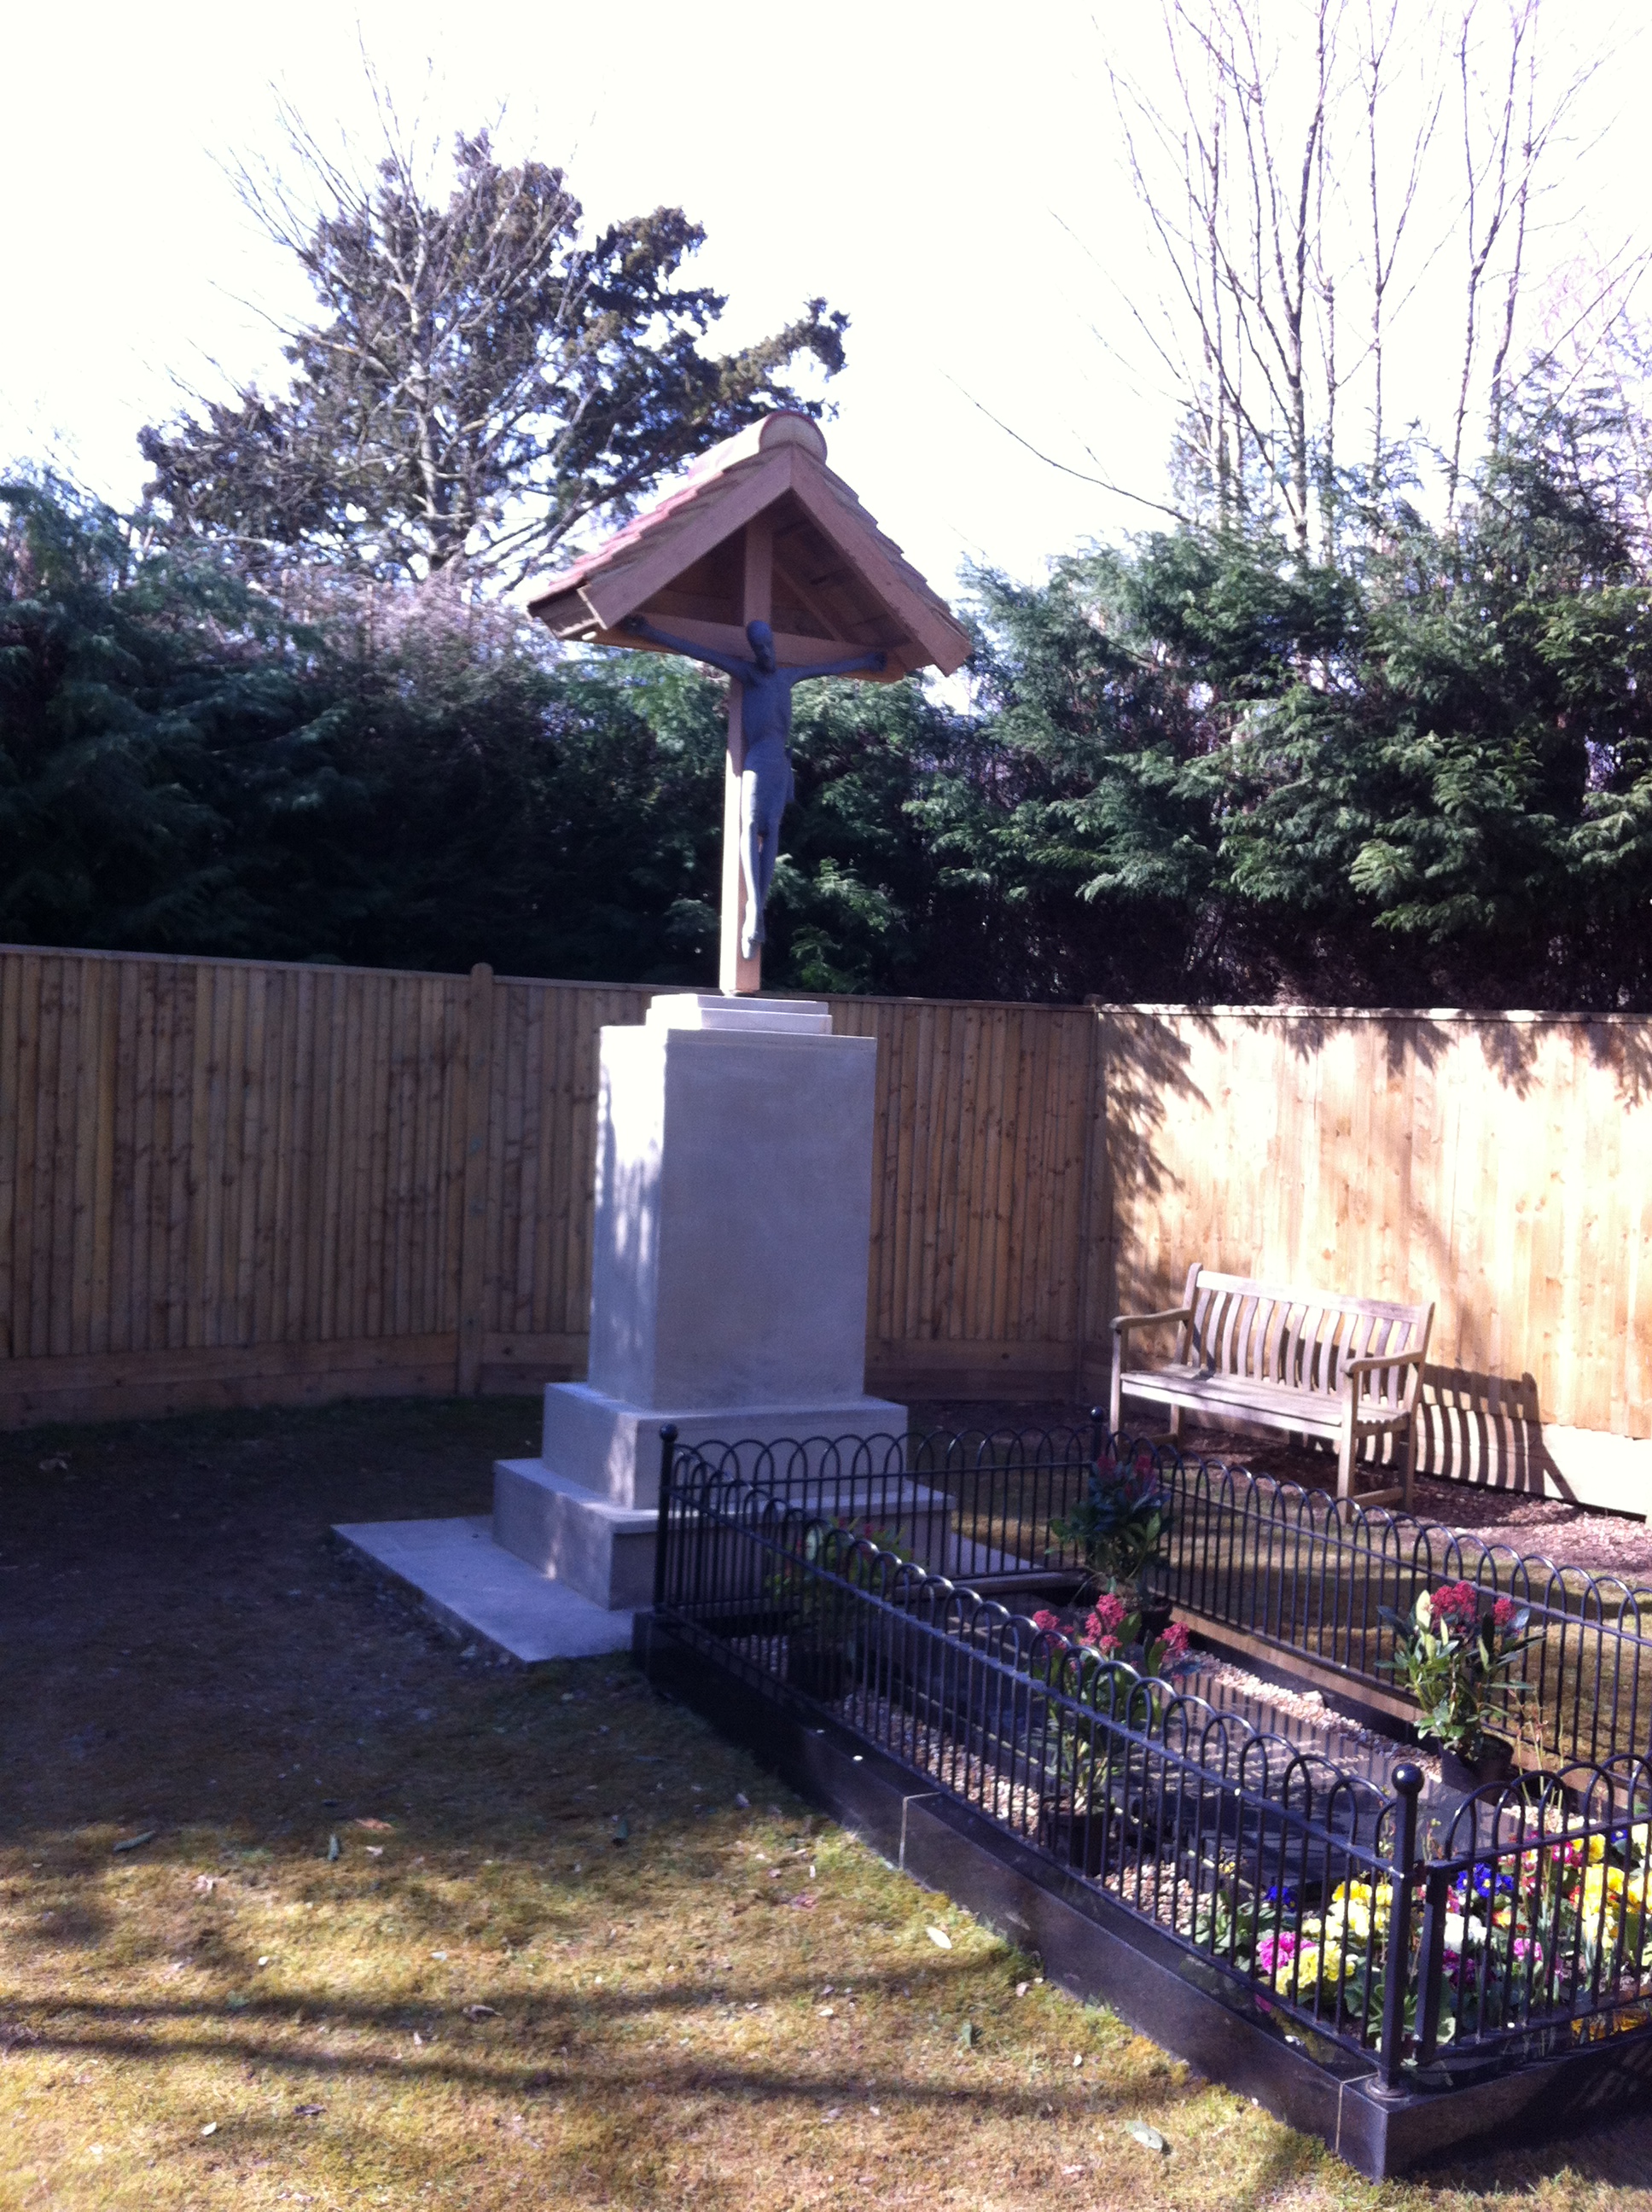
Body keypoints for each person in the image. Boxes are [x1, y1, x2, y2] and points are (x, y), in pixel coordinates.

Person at [623, 614, 886, 958]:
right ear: (753, 649)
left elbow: (831, 667)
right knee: (750, 826)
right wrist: (650, 632)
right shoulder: (748, 674)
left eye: (767, 645)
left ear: (773, 644)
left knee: (771, 830)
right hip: (758, 761)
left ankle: (757, 910)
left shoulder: (789, 676)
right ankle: (754, 912)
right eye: (757, 647)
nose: (764, 652)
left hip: (780, 763)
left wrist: (866, 660)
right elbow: (698, 651)